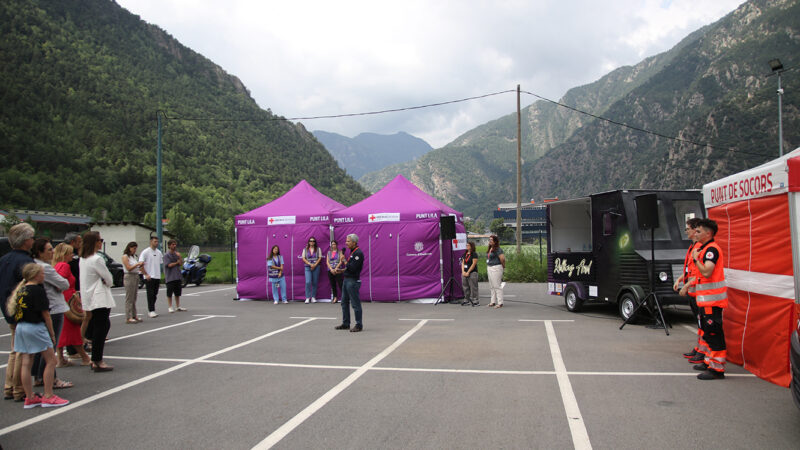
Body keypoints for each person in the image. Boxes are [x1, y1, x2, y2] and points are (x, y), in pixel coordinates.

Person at [7, 263, 70, 408]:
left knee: (26, 362)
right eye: (42, 273)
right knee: (51, 360)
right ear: (35, 275)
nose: (44, 276)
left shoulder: (21, 290)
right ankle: (48, 395)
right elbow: (46, 313)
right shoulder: (37, 290)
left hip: (21, 327)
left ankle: (29, 397)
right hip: (35, 327)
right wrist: (52, 333)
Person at [31, 238, 72, 389]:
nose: (52, 252)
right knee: (50, 346)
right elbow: (64, 283)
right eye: (49, 250)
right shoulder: (45, 268)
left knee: (40, 346)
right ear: (39, 252)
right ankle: (51, 378)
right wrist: (59, 286)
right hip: (53, 308)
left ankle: (38, 376)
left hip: (42, 307)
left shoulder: (34, 265)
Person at [1, 223, 35, 401]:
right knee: (22, 351)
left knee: (15, 350)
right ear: (25, 241)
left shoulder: (4, 259)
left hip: (8, 308)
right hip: (22, 310)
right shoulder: (25, 261)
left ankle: (9, 386)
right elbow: (29, 287)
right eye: (31, 238)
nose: (33, 240)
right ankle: (18, 388)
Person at [690, 218, 728, 380]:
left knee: (714, 334)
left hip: (712, 302)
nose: (695, 234)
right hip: (705, 301)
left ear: (708, 233)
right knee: (707, 333)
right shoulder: (704, 249)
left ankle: (717, 369)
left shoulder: (712, 250)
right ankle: (708, 361)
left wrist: (696, 258)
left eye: (698, 231)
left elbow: (706, 272)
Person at [79, 231, 115, 372]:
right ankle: (97, 359)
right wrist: (106, 282)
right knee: (102, 327)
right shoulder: (96, 259)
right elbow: (109, 279)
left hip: (89, 296)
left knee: (98, 326)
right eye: (100, 240)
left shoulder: (83, 259)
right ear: (94, 242)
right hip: (99, 297)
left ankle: (95, 357)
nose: (101, 242)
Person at [53, 243, 91, 366]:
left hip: (62, 302)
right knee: (73, 330)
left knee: (63, 331)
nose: (72, 255)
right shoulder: (64, 266)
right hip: (68, 301)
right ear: (64, 254)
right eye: (70, 253)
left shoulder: (57, 265)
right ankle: (84, 357)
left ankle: (60, 358)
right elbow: (61, 283)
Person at [674, 218, 704, 361]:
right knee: (699, 323)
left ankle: (702, 351)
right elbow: (690, 270)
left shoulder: (699, 248)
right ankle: (699, 348)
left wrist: (686, 285)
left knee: (702, 323)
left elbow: (699, 272)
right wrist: (680, 279)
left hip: (698, 292)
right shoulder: (692, 247)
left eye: (688, 229)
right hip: (692, 291)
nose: (686, 232)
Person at [335, 234, 364, 332]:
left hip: (353, 281)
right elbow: (349, 268)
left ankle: (359, 325)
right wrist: (342, 270)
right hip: (346, 279)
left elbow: (353, 268)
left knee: (355, 304)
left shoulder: (358, 253)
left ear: (354, 242)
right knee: (344, 302)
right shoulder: (352, 252)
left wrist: (343, 260)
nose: (346, 243)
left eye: (348, 241)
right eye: (346, 241)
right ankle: (346, 323)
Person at [139, 236, 163, 318]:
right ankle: (151, 310)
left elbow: (159, 264)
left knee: (155, 294)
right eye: (155, 241)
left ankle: (152, 308)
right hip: (149, 276)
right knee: (150, 293)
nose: (156, 243)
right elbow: (141, 265)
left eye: (157, 242)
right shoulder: (145, 252)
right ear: (151, 242)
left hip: (157, 276)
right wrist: (145, 274)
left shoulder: (159, 252)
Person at [121, 242, 144, 323]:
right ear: (129, 248)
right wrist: (137, 264)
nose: (135, 250)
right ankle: (128, 317)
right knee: (129, 298)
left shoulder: (133, 257)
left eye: (135, 248)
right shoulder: (125, 256)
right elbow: (128, 268)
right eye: (133, 248)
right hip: (129, 276)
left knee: (134, 297)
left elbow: (135, 267)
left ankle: (134, 315)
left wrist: (140, 265)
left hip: (135, 275)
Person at [164, 239, 186, 313]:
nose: (174, 246)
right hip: (170, 277)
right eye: (173, 244)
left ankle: (178, 306)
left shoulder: (177, 254)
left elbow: (180, 263)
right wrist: (176, 262)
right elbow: (169, 265)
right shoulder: (166, 255)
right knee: (170, 292)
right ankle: (170, 306)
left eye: (175, 244)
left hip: (177, 276)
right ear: (169, 245)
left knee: (177, 292)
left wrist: (179, 257)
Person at [486, 235, 506, 309]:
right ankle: (492, 301)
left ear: (495, 241)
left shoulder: (498, 249)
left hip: (496, 267)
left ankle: (500, 302)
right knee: (491, 286)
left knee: (497, 285)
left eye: (491, 240)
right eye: (489, 240)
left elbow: (502, 259)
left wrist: (503, 266)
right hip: (489, 267)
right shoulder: (490, 249)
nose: (490, 241)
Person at [302, 237, 322, 303]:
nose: (312, 242)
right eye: (310, 241)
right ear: (309, 242)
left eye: (313, 241)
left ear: (315, 242)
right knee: (308, 282)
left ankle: (313, 297)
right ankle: (307, 297)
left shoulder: (318, 249)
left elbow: (319, 258)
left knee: (315, 282)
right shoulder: (305, 249)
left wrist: (315, 265)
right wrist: (310, 264)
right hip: (308, 267)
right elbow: (303, 258)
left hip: (316, 267)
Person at [461, 242, 479, 306]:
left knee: (473, 286)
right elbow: (463, 263)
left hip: (472, 272)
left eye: (468, 245)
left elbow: (474, 264)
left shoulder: (474, 254)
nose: (467, 246)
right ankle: (466, 299)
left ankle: (475, 300)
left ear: (472, 246)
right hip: (465, 272)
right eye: (466, 245)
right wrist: (463, 272)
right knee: (465, 287)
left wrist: (468, 272)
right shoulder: (465, 254)